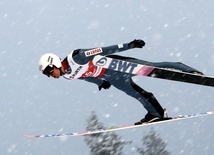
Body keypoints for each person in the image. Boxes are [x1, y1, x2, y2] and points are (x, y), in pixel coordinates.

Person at [38, 39, 203, 125]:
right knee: (136, 94)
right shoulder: (67, 75)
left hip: (115, 65)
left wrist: (129, 45)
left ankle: (189, 71)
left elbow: (104, 50)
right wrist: (100, 83)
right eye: (47, 74)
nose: (50, 75)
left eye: (49, 71)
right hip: (111, 77)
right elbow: (84, 77)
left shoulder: (77, 57)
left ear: (55, 63)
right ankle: (157, 113)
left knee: (152, 68)